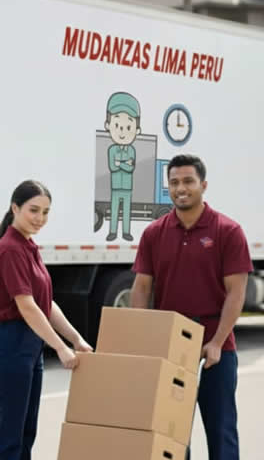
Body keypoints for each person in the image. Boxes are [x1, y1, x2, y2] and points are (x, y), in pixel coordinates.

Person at [130, 154, 250, 460]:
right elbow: (142, 288)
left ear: (203, 185)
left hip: (216, 346)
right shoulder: (154, 233)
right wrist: (141, 340)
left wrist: (217, 342)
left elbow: (236, 293)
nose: (180, 188)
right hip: (170, 346)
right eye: (174, 182)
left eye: (188, 181)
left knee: (221, 431)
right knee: (172, 435)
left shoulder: (228, 231)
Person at [0, 180, 92, 460]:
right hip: (10, 346)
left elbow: (46, 304)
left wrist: (76, 339)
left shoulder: (29, 246)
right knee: (8, 438)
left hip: (29, 347)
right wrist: (59, 347)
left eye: (45, 212)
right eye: (33, 210)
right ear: (14, 208)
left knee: (25, 434)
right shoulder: (9, 249)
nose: (40, 219)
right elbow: (27, 307)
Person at [104, 91, 140, 242]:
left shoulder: (132, 149)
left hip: (127, 186)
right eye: (117, 125)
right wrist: (124, 164)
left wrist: (121, 164)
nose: (122, 132)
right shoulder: (111, 149)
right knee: (114, 211)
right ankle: (112, 232)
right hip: (116, 185)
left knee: (126, 211)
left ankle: (126, 232)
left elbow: (131, 168)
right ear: (108, 125)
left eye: (128, 127)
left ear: (137, 130)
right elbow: (112, 167)